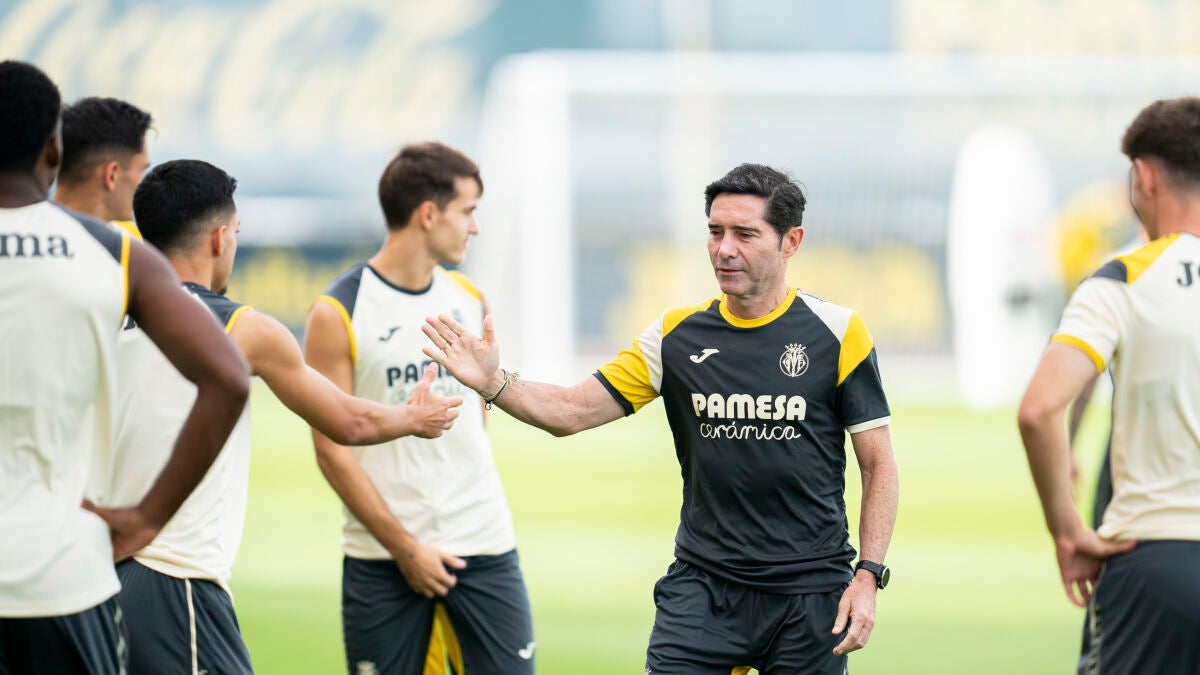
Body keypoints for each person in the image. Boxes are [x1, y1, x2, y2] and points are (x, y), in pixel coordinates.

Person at [424, 163, 900, 674]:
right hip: (704, 589)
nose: (724, 249)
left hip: (810, 593)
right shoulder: (676, 336)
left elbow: (878, 465)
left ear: (792, 242)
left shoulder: (839, 333)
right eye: (715, 232)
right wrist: (495, 382)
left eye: (745, 234)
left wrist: (867, 575)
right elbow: (571, 410)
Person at [107, 159, 465, 675]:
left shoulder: (106, 316)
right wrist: (413, 418)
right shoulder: (240, 329)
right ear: (219, 239)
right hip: (175, 581)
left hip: (101, 578)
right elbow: (348, 421)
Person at [0, 60, 249, 674]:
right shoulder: (114, 254)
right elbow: (227, 379)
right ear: (52, 150)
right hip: (63, 579)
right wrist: (147, 518)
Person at [304, 142, 535, 675]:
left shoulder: (469, 298)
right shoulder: (338, 311)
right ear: (429, 214)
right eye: (468, 210)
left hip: (483, 543)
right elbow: (331, 449)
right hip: (382, 558)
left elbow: (476, 421)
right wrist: (406, 548)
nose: (475, 227)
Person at [1018, 96, 1200, 674]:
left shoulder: (1123, 278)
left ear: (1144, 176)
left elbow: (1039, 409)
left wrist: (1067, 529)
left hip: (1156, 559)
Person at [53, 96, 152, 240]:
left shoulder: (24, 234)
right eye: (142, 171)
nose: (145, 185)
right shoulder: (129, 247)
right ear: (112, 174)